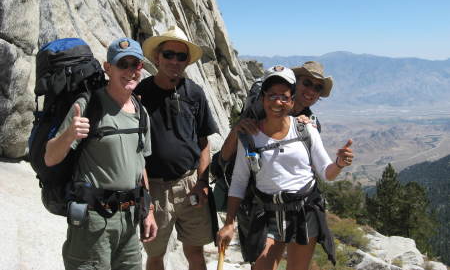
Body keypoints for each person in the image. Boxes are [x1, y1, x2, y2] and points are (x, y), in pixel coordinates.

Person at [216, 66, 353, 270]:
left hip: (304, 210)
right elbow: (238, 180)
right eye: (272, 95)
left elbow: (326, 172)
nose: (278, 101)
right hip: (267, 211)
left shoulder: (306, 127)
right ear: (262, 98)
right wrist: (229, 223)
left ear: (291, 100)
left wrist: (340, 164)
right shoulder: (249, 134)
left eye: (284, 97)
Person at [44, 38, 157, 270]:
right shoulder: (89, 105)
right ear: (108, 68)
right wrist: (70, 135)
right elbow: (50, 158)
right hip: (93, 222)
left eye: (135, 65)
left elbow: (139, 164)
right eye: (122, 64)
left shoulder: (140, 111)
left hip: (129, 221)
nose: (130, 71)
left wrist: (149, 211)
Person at [136, 26, 219, 270]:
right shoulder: (141, 94)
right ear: (156, 58)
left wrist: (203, 183)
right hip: (155, 188)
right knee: (155, 254)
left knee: (195, 252)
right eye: (169, 54)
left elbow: (204, 142)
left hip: (190, 183)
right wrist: (145, 195)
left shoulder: (194, 93)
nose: (174, 61)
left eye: (181, 56)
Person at [220, 60, 333, 162]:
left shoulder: (311, 123)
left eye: (318, 88)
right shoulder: (264, 108)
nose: (311, 91)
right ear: (295, 83)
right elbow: (225, 156)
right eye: (307, 83)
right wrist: (236, 131)